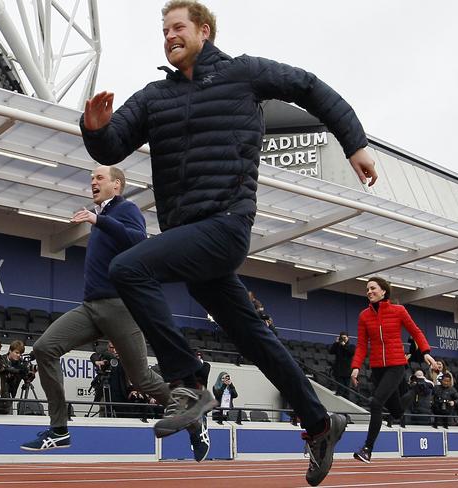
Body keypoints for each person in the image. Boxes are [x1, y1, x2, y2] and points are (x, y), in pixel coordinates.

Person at [80, 1, 377, 484]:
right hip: (188, 236)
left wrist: (354, 142)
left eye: (178, 27)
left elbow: (308, 86)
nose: (169, 36)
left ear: (204, 30)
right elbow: (112, 146)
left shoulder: (243, 74)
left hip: (225, 224)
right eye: (164, 30)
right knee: (253, 338)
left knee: (128, 268)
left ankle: (187, 380)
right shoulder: (155, 96)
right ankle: (321, 422)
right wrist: (93, 127)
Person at [20, 166, 180, 453]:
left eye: (99, 178)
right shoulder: (103, 216)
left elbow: (137, 241)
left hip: (120, 307)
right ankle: (58, 430)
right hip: (91, 307)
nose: (92, 181)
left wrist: (98, 220)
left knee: (141, 378)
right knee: (44, 348)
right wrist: (99, 220)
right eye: (91, 178)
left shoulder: (126, 209)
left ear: (116, 185)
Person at [350, 277, 437, 463]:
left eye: (373, 288)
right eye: (367, 289)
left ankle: (367, 449)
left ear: (383, 291)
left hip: (396, 365)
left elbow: (416, 332)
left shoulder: (398, 311)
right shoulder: (364, 316)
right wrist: (356, 367)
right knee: (396, 412)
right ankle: (418, 388)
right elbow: (361, 346)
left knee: (376, 403)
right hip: (377, 369)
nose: (369, 292)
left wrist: (426, 352)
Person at [328, 331, 355, 398]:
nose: (343, 339)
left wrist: (344, 344)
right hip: (338, 370)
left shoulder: (352, 346)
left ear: (348, 338)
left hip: (347, 371)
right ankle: (339, 395)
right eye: (342, 338)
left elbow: (351, 352)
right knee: (340, 386)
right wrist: (336, 343)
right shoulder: (337, 346)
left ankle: (346, 399)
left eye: (344, 337)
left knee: (346, 387)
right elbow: (331, 351)